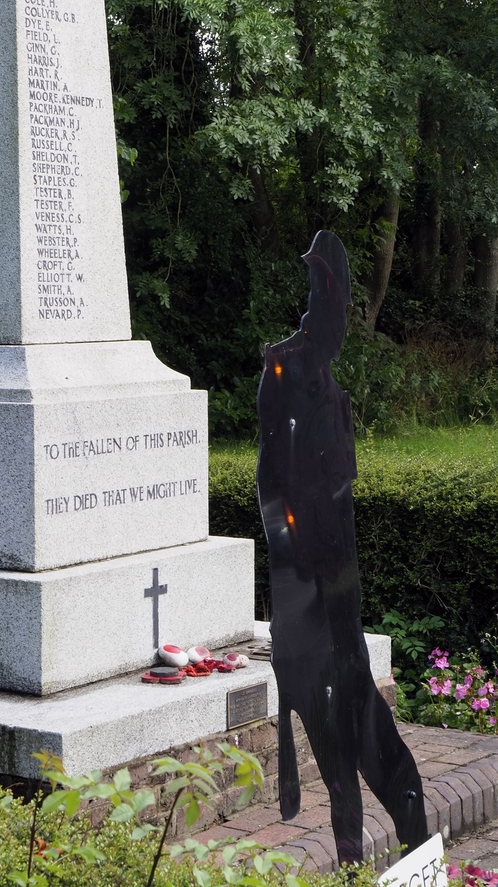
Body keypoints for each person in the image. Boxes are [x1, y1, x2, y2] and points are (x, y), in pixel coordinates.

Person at [256, 230, 428, 865]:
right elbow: (272, 487)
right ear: (322, 301)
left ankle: (410, 857)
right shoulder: (283, 369)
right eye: (336, 304)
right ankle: (354, 865)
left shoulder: (331, 384)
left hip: (341, 607)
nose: (341, 323)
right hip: (305, 608)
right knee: (336, 762)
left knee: (382, 754)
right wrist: (292, 554)